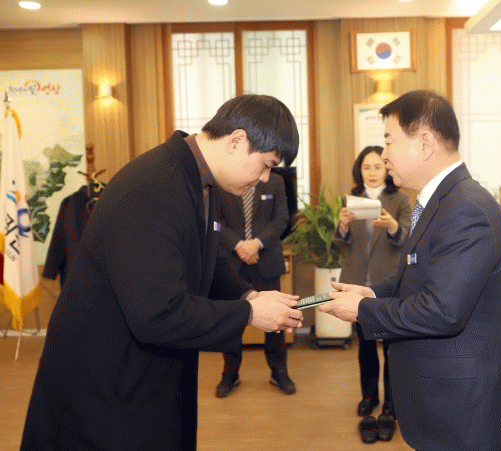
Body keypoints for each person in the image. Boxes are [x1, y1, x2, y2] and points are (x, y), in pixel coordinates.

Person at [20, 94, 304, 451]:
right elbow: (157, 313)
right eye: (265, 165)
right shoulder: (154, 187)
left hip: (147, 373)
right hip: (106, 382)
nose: (264, 179)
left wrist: (249, 294)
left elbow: (209, 261)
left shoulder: (201, 181)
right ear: (236, 141)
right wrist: (248, 313)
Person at [319, 90, 501, 451]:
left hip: (469, 414)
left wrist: (363, 310)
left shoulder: (466, 208)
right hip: (447, 406)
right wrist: (371, 292)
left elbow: (442, 310)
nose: (384, 155)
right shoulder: (440, 202)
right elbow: (415, 280)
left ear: (425, 143)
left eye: (389, 141)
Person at [334, 145, 411, 442]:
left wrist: (392, 227)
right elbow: (339, 244)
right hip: (357, 282)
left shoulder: (400, 199)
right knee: (365, 345)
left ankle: (391, 402)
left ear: (386, 169)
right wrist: (342, 227)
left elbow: (408, 239)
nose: (372, 172)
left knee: (391, 347)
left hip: (388, 284)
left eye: (378, 166)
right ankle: (369, 397)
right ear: (360, 171)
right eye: (367, 167)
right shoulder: (351, 200)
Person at [213, 172, 296, 397]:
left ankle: (279, 370)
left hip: (266, 259)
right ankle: (230, 373)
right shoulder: (224, 179)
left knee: (277, 318)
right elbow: (215, 223)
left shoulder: (275, 181)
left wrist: (256, 244)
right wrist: (239, 245)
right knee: (231, 321)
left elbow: (282, 219)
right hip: (231, 263)